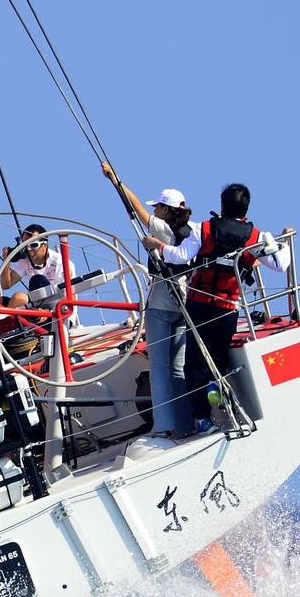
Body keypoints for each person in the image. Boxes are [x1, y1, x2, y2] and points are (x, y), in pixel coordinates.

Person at [145, 184, 293, 431]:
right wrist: (284, 240)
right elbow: (280, 265)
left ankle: (203, 418)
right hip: (227, 309)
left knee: (193, 362)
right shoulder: (255, 237)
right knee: (217, 357)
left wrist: (157, 246)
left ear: (222, 205)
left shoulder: (203, 229)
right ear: (246, 207)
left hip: (199, 305)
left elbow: (179, 256)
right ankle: (216, 387)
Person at [101, 162, 195, 437]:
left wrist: (114, 179)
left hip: (162, 303)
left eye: (157, 207)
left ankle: (164, 425)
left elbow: (134, 208)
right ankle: (184, 423)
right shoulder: (191, 233)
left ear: (166, 210)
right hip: (184, 301)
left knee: (158, 368)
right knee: (178, 369)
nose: (153, 210)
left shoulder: (164, 229)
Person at [0, 223, 78, 313]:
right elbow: (6, 285)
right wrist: (7, 260)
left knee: (36, 282)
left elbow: (68, 297)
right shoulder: (25, 260)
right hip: (35, 306)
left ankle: (6, 317)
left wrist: (47, 312)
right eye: (25, 245)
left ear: (45, 245)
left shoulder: (61, 263)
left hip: (57, 312)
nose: (28, 249)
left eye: (33, 245)